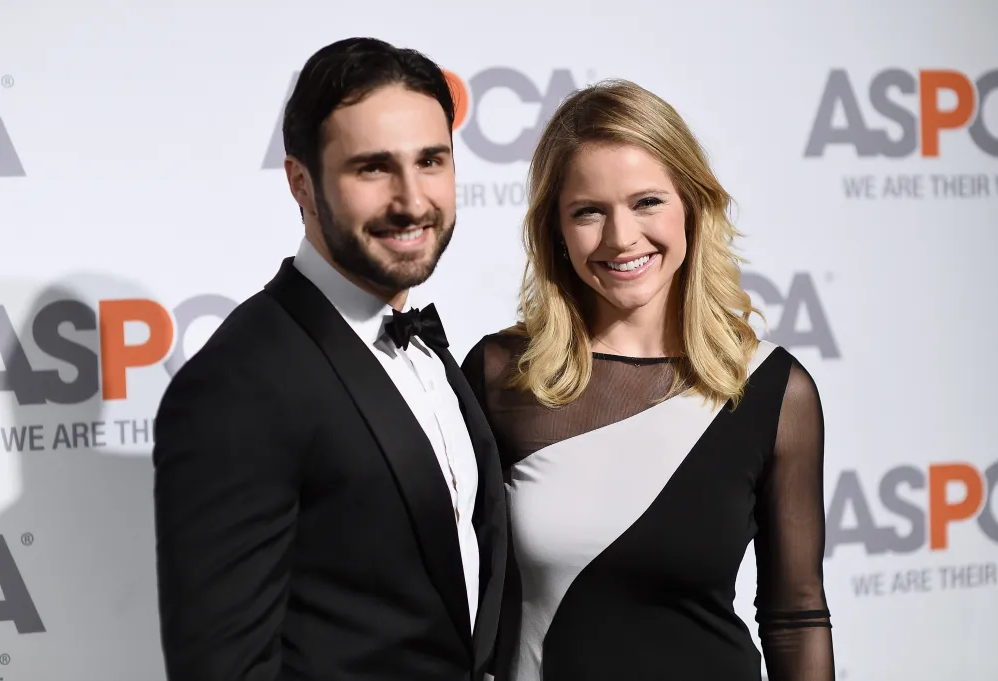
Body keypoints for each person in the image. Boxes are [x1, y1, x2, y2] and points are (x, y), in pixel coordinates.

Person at [152, 37, 507, 681]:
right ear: (302, 184)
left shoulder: (425, 346)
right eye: (372, 168)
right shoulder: (242, 382)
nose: (413, 199)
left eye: (432, 161)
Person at [462, 79, 835, 681]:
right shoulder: (501, 376)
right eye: (588, 211)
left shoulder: (773, 389)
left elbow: (796, 615)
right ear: (555, 230)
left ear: (691, 203)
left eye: (646, 202)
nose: (621, 238)